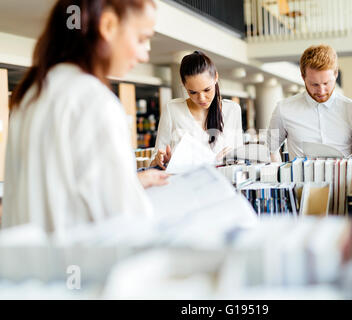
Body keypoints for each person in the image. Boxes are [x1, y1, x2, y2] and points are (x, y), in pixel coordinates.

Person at [2, 0, 168, 233]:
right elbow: (125, 224)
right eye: (141, 39)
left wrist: (129, 185)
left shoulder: (30, 96)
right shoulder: (94, 101)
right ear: (108, 25)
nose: (144, 55)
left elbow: (57, 192)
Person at [150, 51, 244, 169]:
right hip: (186, 185)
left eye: (207, 90)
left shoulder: (232, 110)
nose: (201, 98)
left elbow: (240, 162)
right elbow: (155, 160)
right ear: (184, 85)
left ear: (216, 77)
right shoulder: (172, 110)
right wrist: (160, 160)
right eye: (193, 92)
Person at [267, 44, 352, 161]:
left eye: (326, 83)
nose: (321, 91)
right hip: (300, 179)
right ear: (303, 77)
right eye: (314, 84)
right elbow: (270, 149)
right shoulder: (283, 109)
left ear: (335, 74)